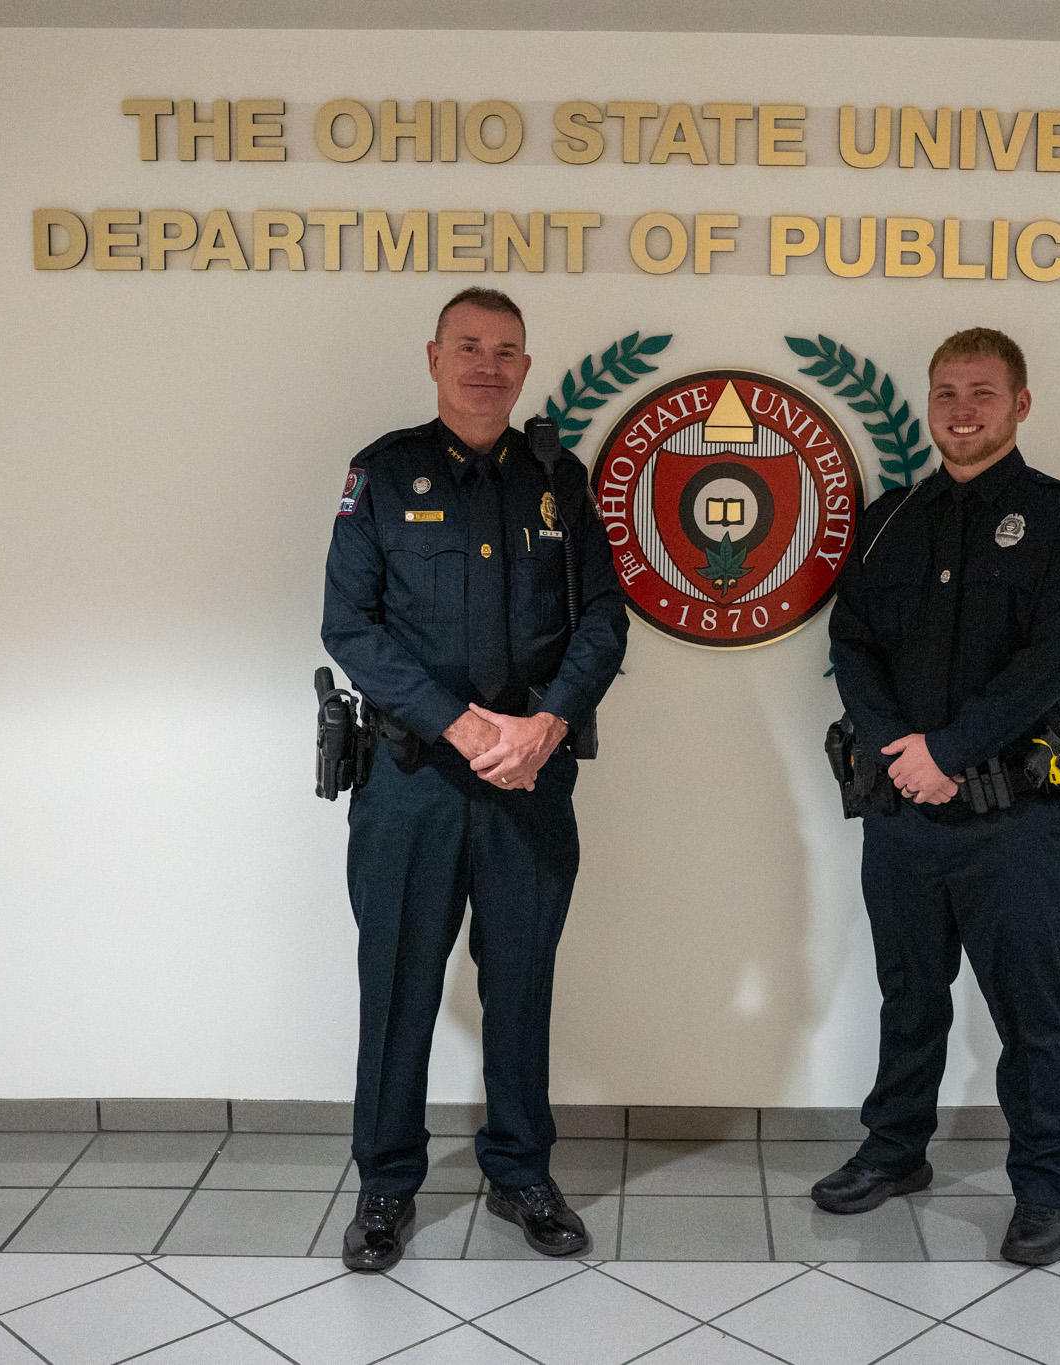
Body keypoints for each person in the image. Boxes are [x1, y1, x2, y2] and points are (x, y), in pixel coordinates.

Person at [321, 287, 628, 1270]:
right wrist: (454, 723)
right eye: (468, 347)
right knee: (399, 985)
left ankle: (521, 1172)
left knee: (521, 984)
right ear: (433, 357)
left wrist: (547, 723)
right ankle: (383, 1187)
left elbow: (603, 621)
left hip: (529, 780)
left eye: (504, 350)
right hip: (411, 780)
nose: (485, 365)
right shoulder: (382, 472)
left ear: (525, 367)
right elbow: (350, 626)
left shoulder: (559, 480)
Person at [821, 326, 1060, 1266]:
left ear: (1021, 404)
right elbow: (852, 641)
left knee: (1031, 1012)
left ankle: (1043, 1190)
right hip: (903, 811)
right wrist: (896, 751)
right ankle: (896, 1150)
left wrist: (948, 748)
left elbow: (1053, 660)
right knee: (908, 995)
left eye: (983, 393)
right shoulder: (891, 518)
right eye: (947, 393)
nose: (962, 411)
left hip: (1012, 818)